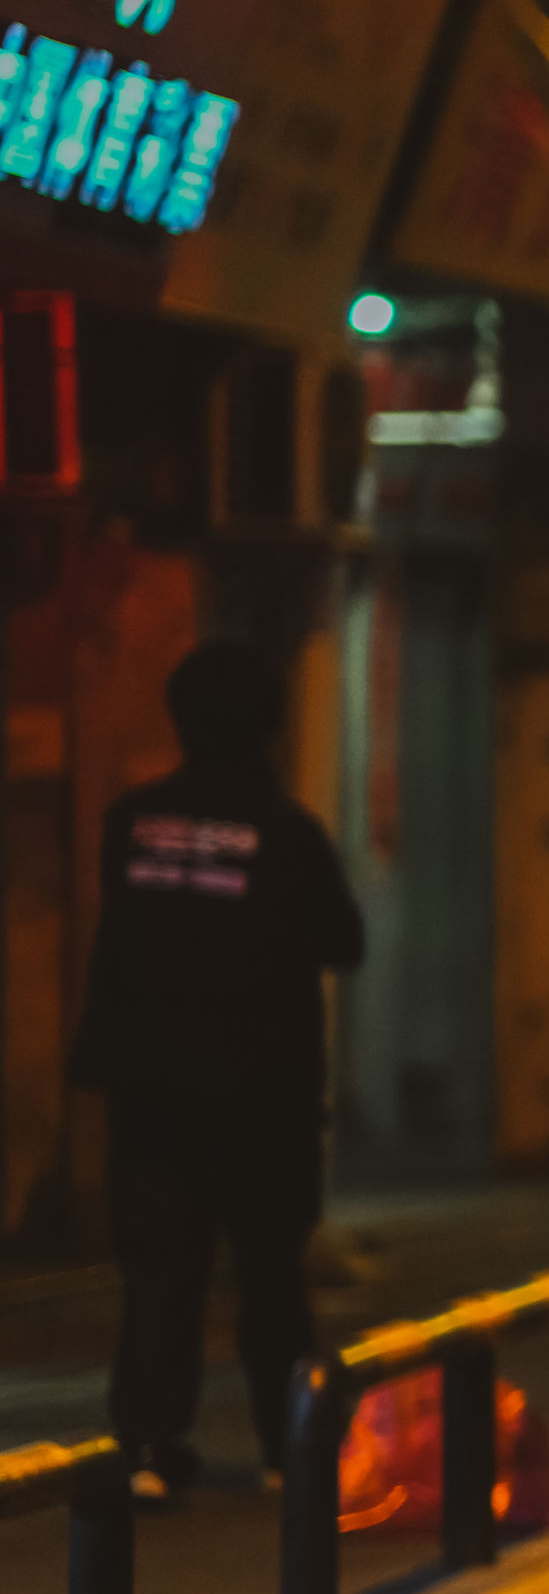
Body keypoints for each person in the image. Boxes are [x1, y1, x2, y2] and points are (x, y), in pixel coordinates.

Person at [69, 642, 366, 1505]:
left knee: (160, 1270)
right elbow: (344, 943)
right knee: (270, 1273)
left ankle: (152, 1446)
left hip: (150, 1089)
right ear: (270, 729)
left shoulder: (131, 821)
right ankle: (290, 1448)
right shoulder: (286, 834)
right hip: (260, 1094)